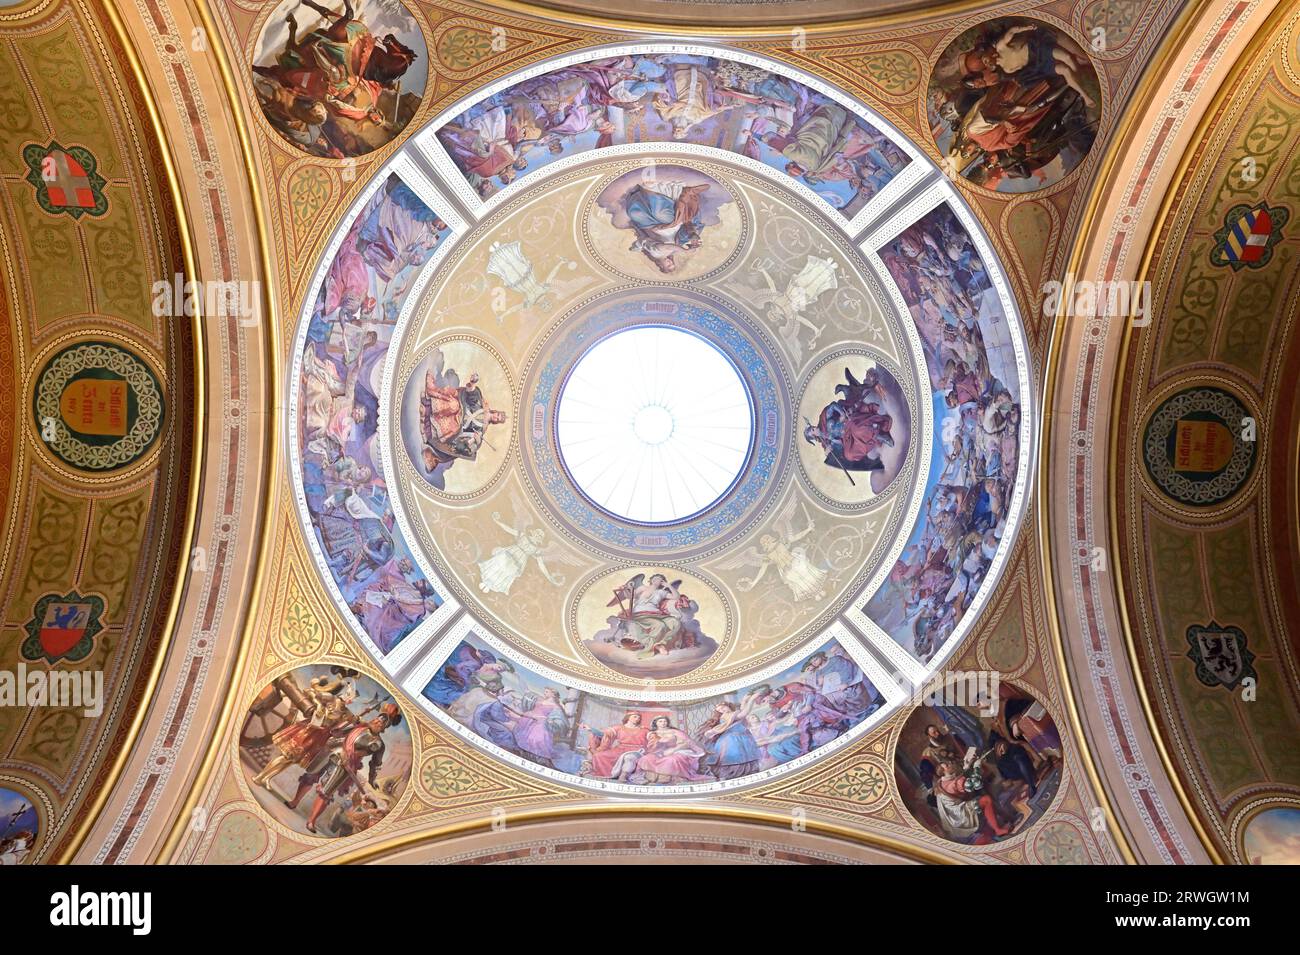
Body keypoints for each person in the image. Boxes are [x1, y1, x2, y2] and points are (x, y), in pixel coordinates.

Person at [583, 712, 649, 780]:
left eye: (639, 718)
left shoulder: (643, 730)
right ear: (628, 717)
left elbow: (652, 738)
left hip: (636, 750)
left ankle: (622, 776)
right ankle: (606, 774)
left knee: (629, 758)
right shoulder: (619, 728)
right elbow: (604, 734)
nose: (637, 719)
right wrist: (590, 729)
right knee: (599, 755)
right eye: (635, 717)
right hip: (620, 749)